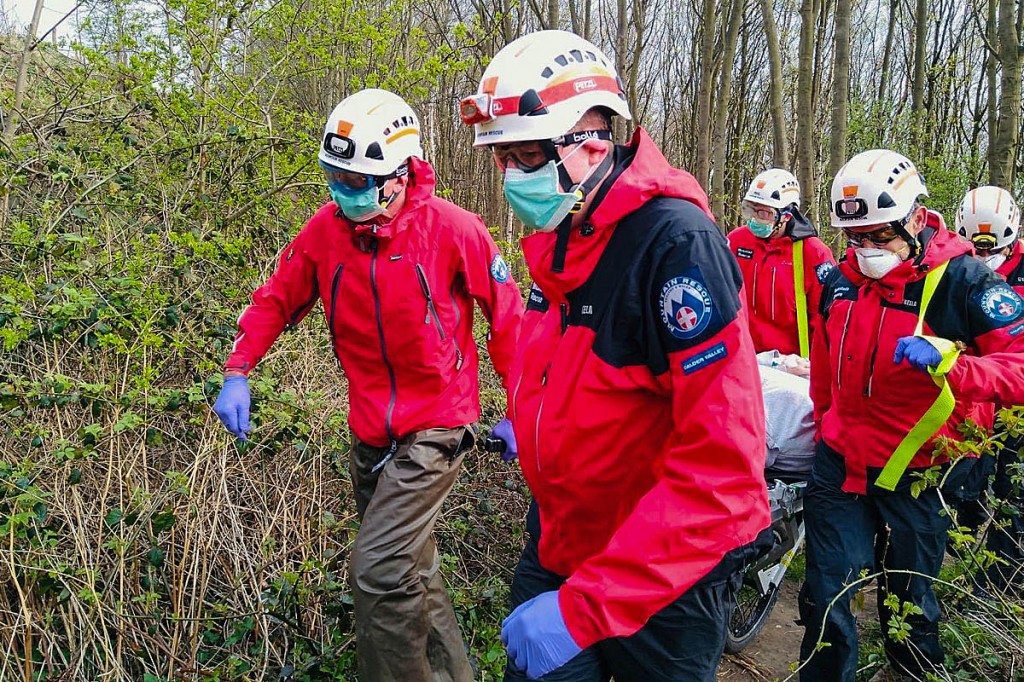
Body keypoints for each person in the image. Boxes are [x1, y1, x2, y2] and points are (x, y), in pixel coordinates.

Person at [460, 30, 771, 681]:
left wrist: (586, 608)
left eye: (524, 155)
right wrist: (530, 415)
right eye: (503, 158)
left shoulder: (675, 248)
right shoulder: (564, 237)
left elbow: (724, 469)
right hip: (562, 539)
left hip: (662, 579)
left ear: (592, 142)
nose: (512, 177)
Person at [212, 88, 524, 682]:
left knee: (377, 569)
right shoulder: (326, 232)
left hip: (438, 421)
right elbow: (277, 298)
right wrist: (238, 369)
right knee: (412, 568)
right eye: (335, 176)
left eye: (356, 180)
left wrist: (517, 405)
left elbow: (507, 317)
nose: (342, 191)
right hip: (370, 431)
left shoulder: (454, 230)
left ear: (400, 176)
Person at [800, 150, 1024, 681]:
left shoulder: (965, 283)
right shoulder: (839, 281)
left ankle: (912, 672)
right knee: (827, 595)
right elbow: (824, 371)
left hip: (921, 471)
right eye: (856, 238)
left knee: (910, 601)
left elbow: (1018, 370)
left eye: (881, 236)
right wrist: (823, 429)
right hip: (842, 465)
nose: (868, 249)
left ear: (917, 220)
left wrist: (954, 364)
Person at [954, 185, 1024, 594]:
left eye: (991, 249)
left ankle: (997, 586)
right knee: (967, 482)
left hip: (1015, 396)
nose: (983, 258)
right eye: (975, 249)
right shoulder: (959, 267)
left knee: (1013, 494)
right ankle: (960, 550)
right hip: (975, 396)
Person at [727, 169, 835, 358]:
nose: (755, 218)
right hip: (743, 356)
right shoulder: (737, 242)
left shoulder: (813, 253)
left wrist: (817, 365)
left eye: (764, 213)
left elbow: (825, 320)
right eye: (750, 209)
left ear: (786, 215)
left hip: (791, 365)